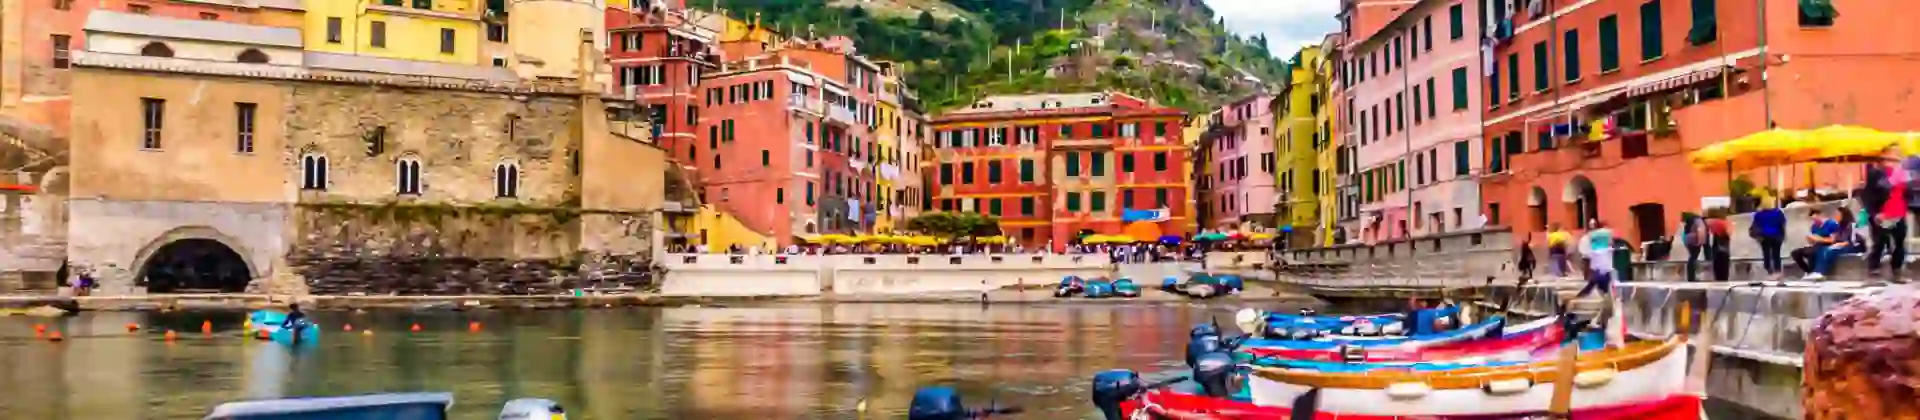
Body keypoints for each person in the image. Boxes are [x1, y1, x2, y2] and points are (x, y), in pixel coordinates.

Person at [1864, 157, 1910, 279]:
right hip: (1883, 213)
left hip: (1899, 212)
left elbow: (1907, 192)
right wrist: (1874, 213)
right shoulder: (1876, 174)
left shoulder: (1903, 174)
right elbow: (1868, 195)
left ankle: (1897, 268)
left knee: (1899, 242)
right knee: (1880, 242)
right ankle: (1874, 267)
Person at [1793, 207, 1860, 280]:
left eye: (1837, 214)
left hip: (1851, 246)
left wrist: (1839, 244)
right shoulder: (1839, 226)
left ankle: (1820, 272)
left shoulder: (1851, 225)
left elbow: (1852, 241)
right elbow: (1837, 239)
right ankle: (1815, 272)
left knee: (1827, 250)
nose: (1835, 216)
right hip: (1837, 245)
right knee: (1820, 250)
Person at [1576, 221, 1616, 298]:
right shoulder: (1608, 233)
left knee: (1594, 280)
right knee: (1601, 279)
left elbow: (1590, 244)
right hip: (1605, 263)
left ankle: (1582, 295)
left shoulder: (1591, 235)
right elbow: (1611, 242)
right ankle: (1605, 294)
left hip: (1596, 259)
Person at [1752, 198, 1789, 280]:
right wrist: (1784, 236)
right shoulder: (1778, 213)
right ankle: (1777, 271)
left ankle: (1768, 270)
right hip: (1777, 236)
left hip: (1764, 237)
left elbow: (1755, 225)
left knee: (1766, 254)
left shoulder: (1758, 214)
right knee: (1776, 254)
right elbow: (1783, 224)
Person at [1677, 213, 1706, 282]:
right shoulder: (1698, 219)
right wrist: (1700, 241)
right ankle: (1692, 277)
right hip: (1695, 239)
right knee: (1693, 258)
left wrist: (1686, 242)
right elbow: (1700, 230)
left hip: (1688, 239)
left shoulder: (1689, 220)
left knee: (1692, 257)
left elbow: (1684, 233)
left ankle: (1691, 276)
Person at [1705, 211, 1733, 281]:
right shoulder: (1724, 222)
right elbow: (1729, 233)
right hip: (1724, 249)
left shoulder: (1708, 222)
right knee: (1724, 271)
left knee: (1717, 270)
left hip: (1715, 248)